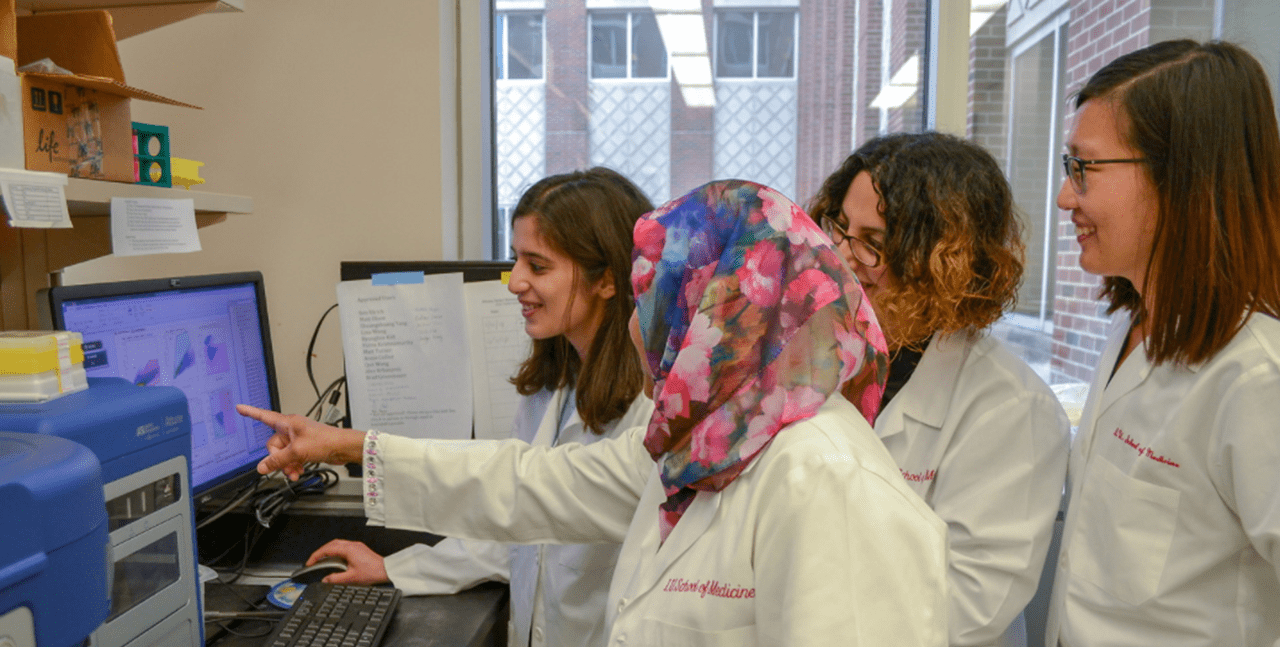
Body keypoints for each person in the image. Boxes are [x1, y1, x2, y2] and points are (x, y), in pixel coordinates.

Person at [240, 179, 950, 646]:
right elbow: (532, 488)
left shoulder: (831, 478)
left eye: (653, 300)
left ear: (719, 309)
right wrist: (350, 450)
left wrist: (349, 448)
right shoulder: (704, 454)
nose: (640, 326)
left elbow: (536, 486)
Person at [301, 167, 656, 647]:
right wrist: (397, 567)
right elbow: (513, 520)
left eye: (539, 266)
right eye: (517, 261)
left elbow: (522, 494)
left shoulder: (650, 413)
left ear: (608, 280)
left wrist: (354, 448)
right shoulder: (551, 388)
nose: (515, 282)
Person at [1044, 40, 1280, 647]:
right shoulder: (1134, 324)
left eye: (1083, 168)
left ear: (1181, 176)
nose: (1066, 197)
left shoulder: (1256, 380)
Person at [809, 131, 1070, 647]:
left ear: (942, 263)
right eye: (840, 227)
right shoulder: (830, 358)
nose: (842, 255)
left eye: (874, 242)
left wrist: (808, 605)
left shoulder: (1012, 409)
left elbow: (969, 605)